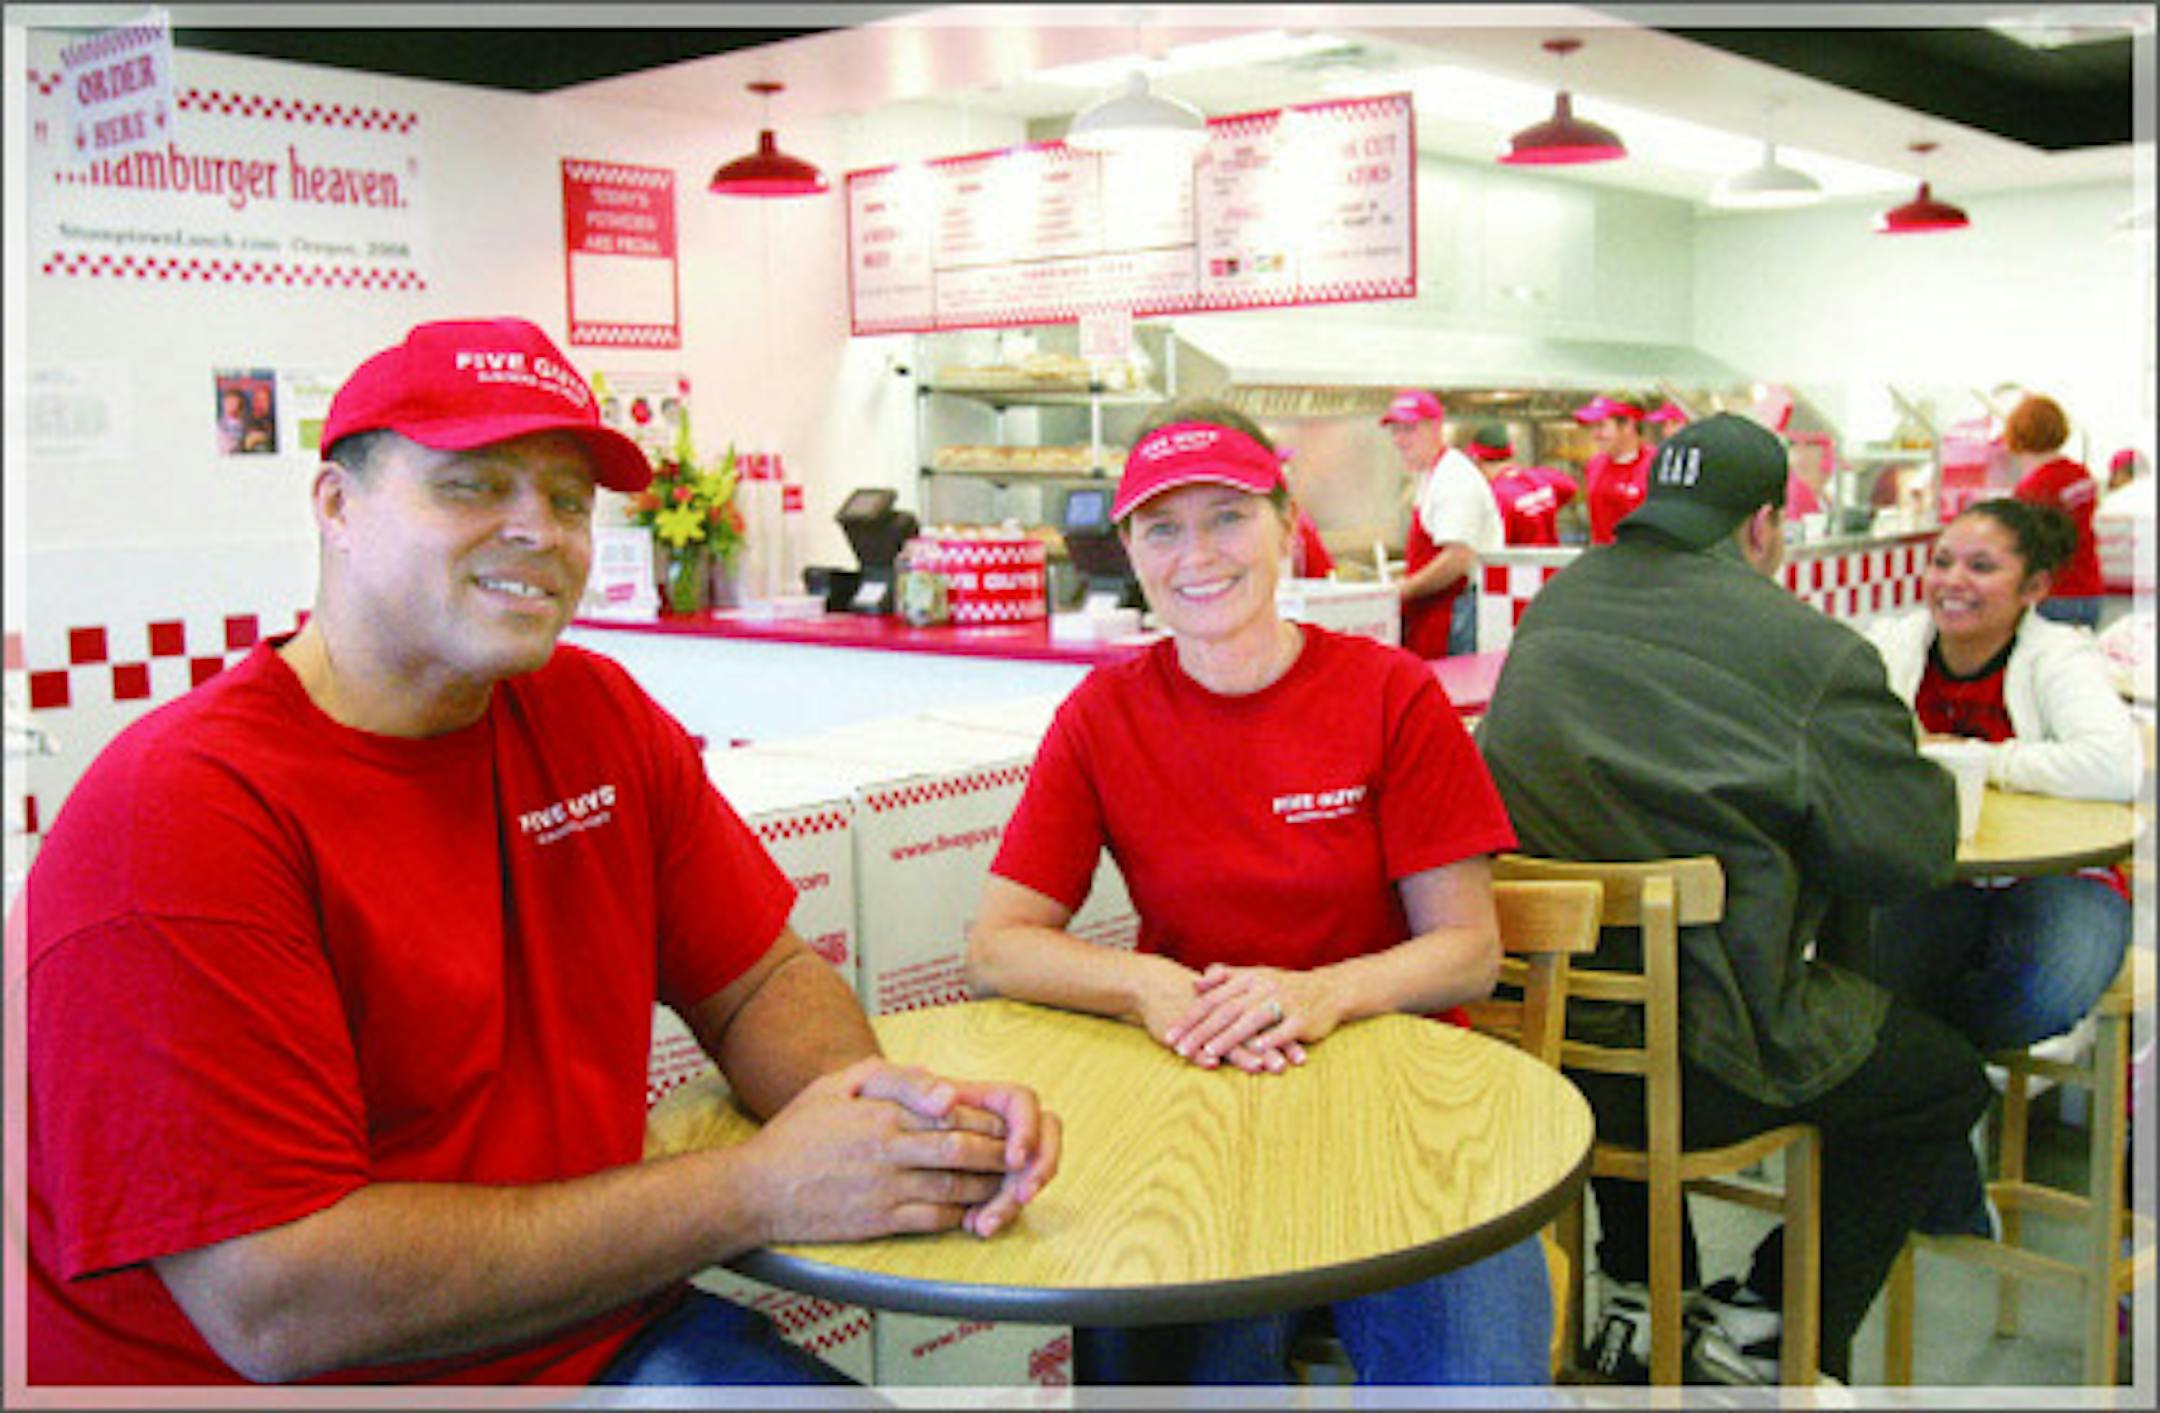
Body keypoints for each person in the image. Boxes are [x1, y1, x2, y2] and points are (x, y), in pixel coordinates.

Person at [23, 317, 1060, 1387]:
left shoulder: (593, 715)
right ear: (336, 506)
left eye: (569, 500)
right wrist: (756, 1188)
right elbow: (278, 1307)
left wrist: (887, 1126)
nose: (540, 531)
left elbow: (758, 981)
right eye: (474, 485)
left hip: (592, 1334)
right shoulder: (182, 816)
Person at [965, 397, 1552, 1387]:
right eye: (1162, 528)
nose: (1197, 554)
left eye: (1229, 516)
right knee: (1163, 1371)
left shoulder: (1390, 693)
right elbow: (997, 947)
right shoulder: (1104, 715)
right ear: (1129, 552)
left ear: (1287, 527)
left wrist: (1323, 992)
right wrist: (1147, 986)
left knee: (1470, 1378)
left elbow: (1468, 951)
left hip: (1401, 1105)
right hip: (1203, 1107)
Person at [1478, 413, 1991, 1386]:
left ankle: (1641, 1288)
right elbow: (1910, 854)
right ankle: (1767, 1324)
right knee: (1940, 1081)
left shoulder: (1557, 603)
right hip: (1712, 1061)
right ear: (1763, 525)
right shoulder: (1810, 650)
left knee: (1629, 978)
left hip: (1542, 1044)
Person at [1863, 498, 2137, 1052]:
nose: (1952, 581)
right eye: (1941, 562)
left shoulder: (2060, 657)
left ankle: (1939, 1067)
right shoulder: (1895, 646)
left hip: (2062, 874)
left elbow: (2115, 766)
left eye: (1981, 567)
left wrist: (1975, 757)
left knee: (2044, 994)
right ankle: (1937, 1074)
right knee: (1867, 982)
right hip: (1933, 869)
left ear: (2034, 587)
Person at [1381, 389, 1502, 658]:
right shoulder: (1432, 474)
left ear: (1435, 428)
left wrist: (1401, 591)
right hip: (1436, 611)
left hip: (1455, 614)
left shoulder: (1454, 478)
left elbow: (1457, 559)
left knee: (1453, 683)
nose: (1399, 440)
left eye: (1409, 429)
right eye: (1395, 431)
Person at [2004, 392, 2104, 630]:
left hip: (2054, 595)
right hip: (2090, 590)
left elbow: (2027, 547)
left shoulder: (2033, 488)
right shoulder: (2080, 475)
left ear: (2016, 435)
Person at [1468, 423, 1578, 547]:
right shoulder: (1542, 477)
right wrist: (1543, 508)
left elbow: (1495, 543)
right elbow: (1570, 486)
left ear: (1478, 460)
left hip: (1519, 560)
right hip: (1551, 558)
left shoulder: (1495, 496)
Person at [1576, 392, 1653, 545]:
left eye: (1601, 426)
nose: (1595, 434)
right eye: (1593, 427)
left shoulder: (1655, 465)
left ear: (1628, 425)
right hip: (1603, 556)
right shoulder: (1594, 465)